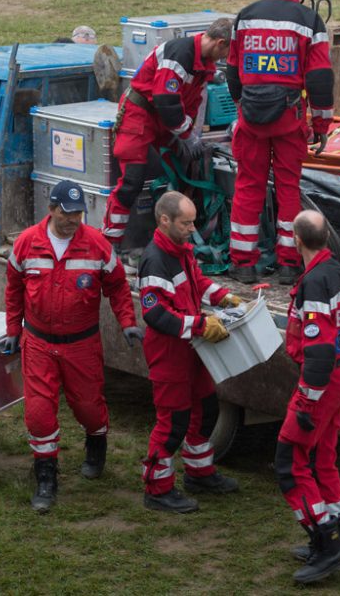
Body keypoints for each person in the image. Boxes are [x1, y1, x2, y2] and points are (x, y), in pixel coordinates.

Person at [3, 178, 143, 513]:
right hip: (37, 342)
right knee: (38, 413)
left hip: (81, 344)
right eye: (66, 213)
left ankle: (96, 443)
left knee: (89, 408)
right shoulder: (26, 244)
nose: (72, 220)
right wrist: (12, 329)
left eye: (78, 214)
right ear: (51, 209)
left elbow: (118, 286)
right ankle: (46, 477)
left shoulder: (96, 246)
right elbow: (13, 289)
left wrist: (128, 322)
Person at [226, 0, 334, 286]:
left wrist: (241, 106)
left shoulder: (246, 15)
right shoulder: (310, 21)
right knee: (288, 188)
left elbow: (232, 70)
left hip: (251, 119)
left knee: (248, 186)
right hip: (289, 120)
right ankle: (290, 263)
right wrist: (323, 125)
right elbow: (319, 78)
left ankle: (242, 263)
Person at [137, 191, 242, 513]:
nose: (192, 229)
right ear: (165, 220)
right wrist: (199, 326)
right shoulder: (155, 259)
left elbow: (197, 283)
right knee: (173, 423)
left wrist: (224, 297)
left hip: (191, 349)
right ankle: (157, 489)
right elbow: (156, 315)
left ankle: (199, 472)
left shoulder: (181, 250)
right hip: (170, 353)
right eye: (186, 223)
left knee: (207, 409)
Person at [274, 209, 340, 584]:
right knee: (323, 455)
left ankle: (327, 544)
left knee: (291, 460)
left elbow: (319, 350)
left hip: (322, 382)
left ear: (296, 239)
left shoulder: (314, 284)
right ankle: (334, 525)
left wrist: (307, 403)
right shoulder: (338, 272)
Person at [101, 18, 233, 252]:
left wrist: (189, 133)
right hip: (139, 115)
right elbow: (166, 100)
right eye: (227, 51)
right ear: (220, 43)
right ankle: (110, 244)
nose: (225, 58)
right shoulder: (179, 55)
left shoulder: (203, 63)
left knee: (184, 169)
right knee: (132, 181)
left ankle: (172, 238)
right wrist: (186, 135)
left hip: (167, 121)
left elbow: (192, 102)